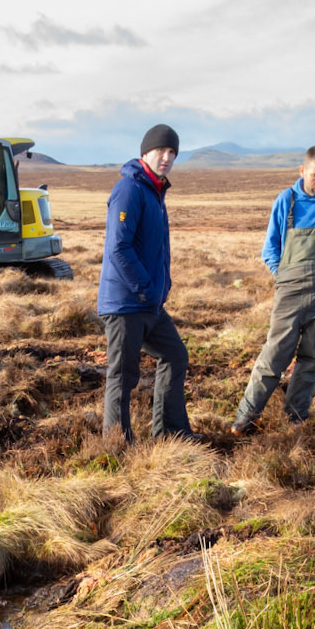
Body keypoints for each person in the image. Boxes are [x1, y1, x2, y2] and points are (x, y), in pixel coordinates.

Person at [231, 144, 315, 436]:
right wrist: (283, 276)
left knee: (313, 358)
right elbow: (270, 249)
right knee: (274, 355)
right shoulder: (285, 201)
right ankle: (244, 419)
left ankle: (294, 420)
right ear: (302, 171)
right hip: (289, 289)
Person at [97, 122, 194, 443]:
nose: (166, 157)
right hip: (126, 303)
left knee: (175, 355)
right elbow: (118, 248)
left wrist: (161, 288)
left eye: (172, 152)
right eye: (161, 150)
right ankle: (117, 447)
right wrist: (146, 287)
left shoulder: (154, 191)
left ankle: (170, 434)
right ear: (145, 152)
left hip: (147, 301)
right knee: (122, 377)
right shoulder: (129, 189)